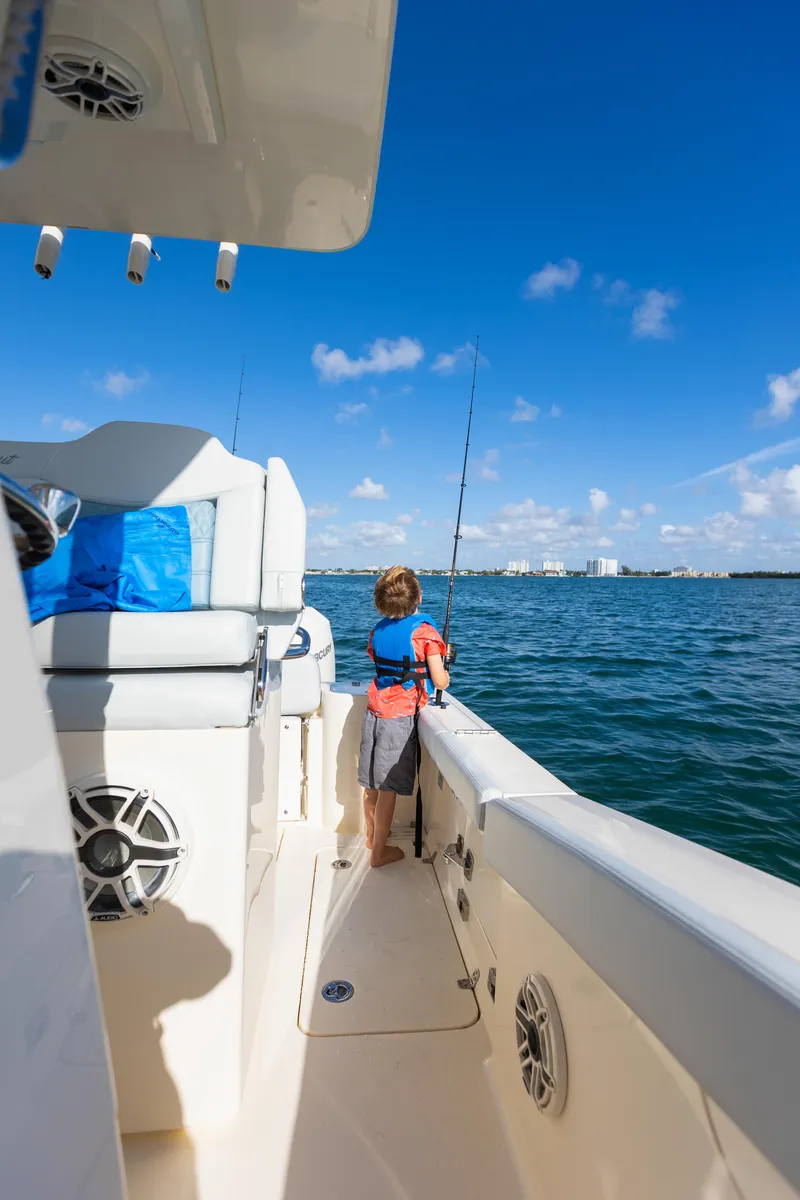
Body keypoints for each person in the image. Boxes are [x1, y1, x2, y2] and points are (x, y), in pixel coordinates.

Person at [357, 566, 450, 867]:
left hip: (374, 710)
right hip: (398, 719)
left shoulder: (377, 630)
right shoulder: (424, 632)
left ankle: (371, 838)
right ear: (418, 596)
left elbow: (376, 656)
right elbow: (439, 680)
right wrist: (444, 665)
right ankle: (378, 853)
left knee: (371, 785)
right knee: (387, 791)